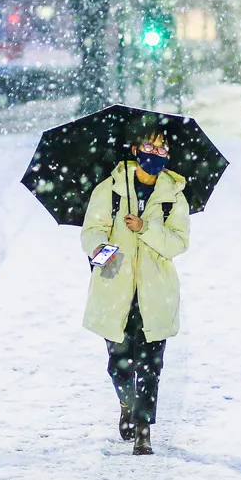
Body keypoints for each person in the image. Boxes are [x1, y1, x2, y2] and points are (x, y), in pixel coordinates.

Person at [80, 125, 190, 456]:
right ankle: (127, 404)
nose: (154, 155)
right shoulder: (110, 189)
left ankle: (144, 429)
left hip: (155, 294)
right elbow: (91, 231)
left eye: (161, 150)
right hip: (115, 290)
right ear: (134, 149)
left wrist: (146, 228)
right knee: (120, 365)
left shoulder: (174, 196)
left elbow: (178, 243)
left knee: (151, 366)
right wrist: (101, 247)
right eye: (149, 146)